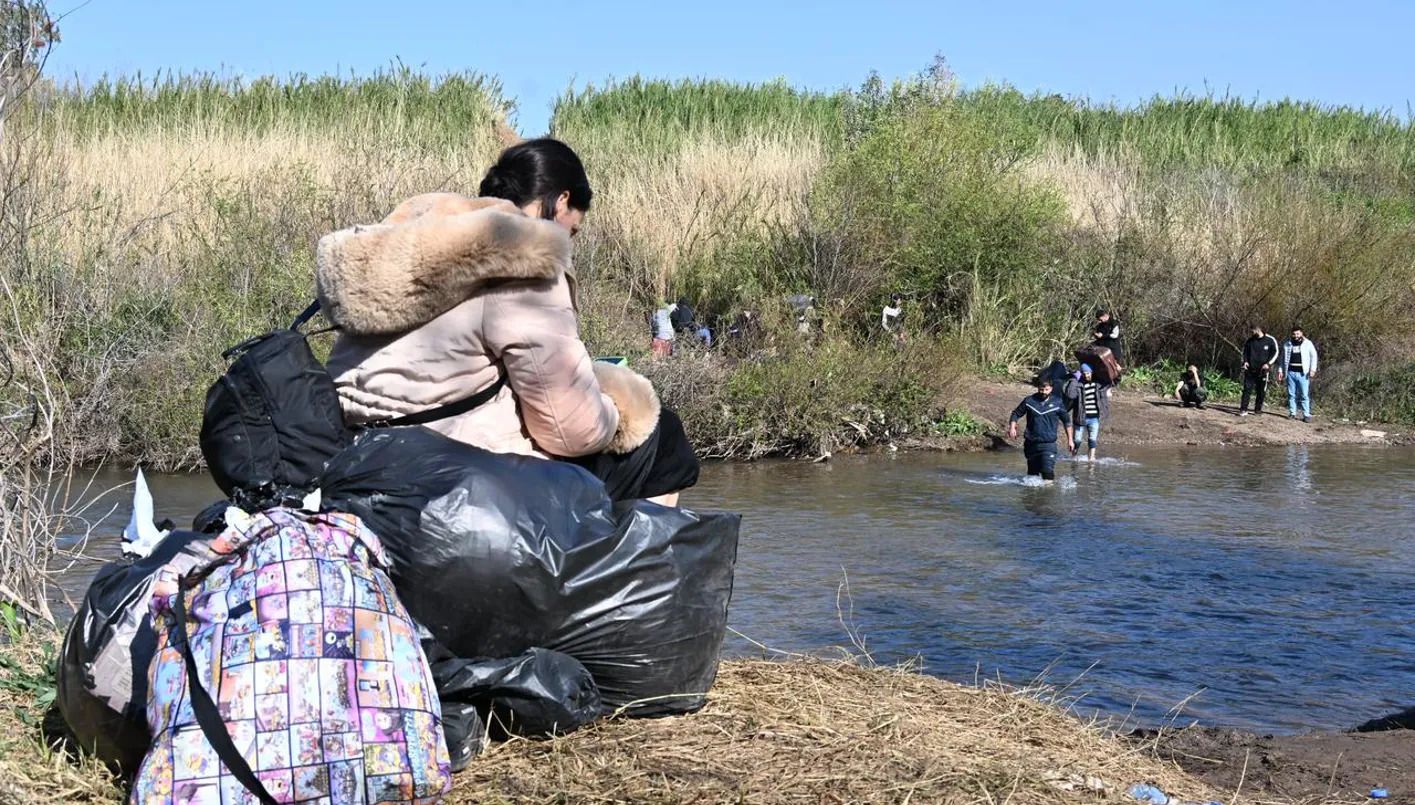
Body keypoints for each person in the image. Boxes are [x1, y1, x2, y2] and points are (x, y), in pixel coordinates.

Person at [321, 138, 698, 505]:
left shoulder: (406, 248)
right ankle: (630, 569)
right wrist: (622, 408)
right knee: (664, 439)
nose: (570, 240)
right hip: (457, 472)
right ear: (561, 201)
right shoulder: (524, 259)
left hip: (355, 458)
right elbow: (571, 431)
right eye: (574, 229)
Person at [1007, 376, 1074, 482]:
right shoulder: (1029, 401)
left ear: (1051, 388)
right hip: (1031, 443)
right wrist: (1012, 427)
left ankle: (1047, 494)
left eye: (1046, 390)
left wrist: (1070, 440)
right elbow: (1016, 413)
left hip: (1048, 444)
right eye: (1041, 389)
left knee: (1047, 471)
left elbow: (1067, 422)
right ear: (1038, 388)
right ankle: (1033, 497)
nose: (1043, 392)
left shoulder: (1057, 403)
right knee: (1032, 476)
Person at [1066, 363, 1110, 461]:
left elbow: (1113, 380)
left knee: (1092, 440)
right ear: (1081, 373)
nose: (1086, 375)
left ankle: (1091, 459)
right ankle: (1073, 458)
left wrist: (1116, 370)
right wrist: (1074, 379)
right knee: (1077, 440)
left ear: (1092, 372)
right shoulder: (1078, 384)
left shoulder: (1099, 384)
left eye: (1088, 373)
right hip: (1080, 417)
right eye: (1084, 373)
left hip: (1094, 418)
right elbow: (1070, 395)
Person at [1279, 327, 1319, 422]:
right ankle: (1292, 413)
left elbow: (1314, 356)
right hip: (1290, 372)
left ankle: (1306, 414)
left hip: (1303, 373)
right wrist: (1280, 370)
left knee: (1304, 394)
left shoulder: (1308, 344)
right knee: (1291, 394)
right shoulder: (1287, 344)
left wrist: (1312, 369)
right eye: (1294, 334)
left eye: (1297, 334)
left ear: (1301, 333)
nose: (1296, 336)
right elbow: (1282, 359)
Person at [1239, 325, 1279, 416]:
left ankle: (1257, 409)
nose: (1251, 333)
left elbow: (1275, 353)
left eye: (1252, 331)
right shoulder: (1250, 341)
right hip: (1250, 369)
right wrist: (1245, 362)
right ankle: (1243, 409)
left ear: (1258, 330)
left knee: (1261, 391)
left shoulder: (1270, 340)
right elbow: (1245, 352)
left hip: (1263, 371)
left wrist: (1268, 364)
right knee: (1247, 389)